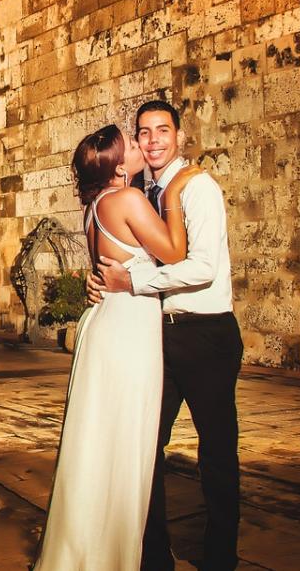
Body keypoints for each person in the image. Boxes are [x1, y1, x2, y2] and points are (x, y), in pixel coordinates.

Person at [35, 123, 201, 570]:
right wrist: (174, 192)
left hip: (105, 325)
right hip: (127, 331)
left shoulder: (93, 207)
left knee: (99, 442)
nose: (138, 144)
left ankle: (89, 550)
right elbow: (175, 252)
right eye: (129, 143)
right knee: (126, 444)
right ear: (117, 166)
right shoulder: (127, 199)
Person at [87, 100, 243, 571]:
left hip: (206, 334)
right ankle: (155, 557)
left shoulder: (198, 187)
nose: (153, 140)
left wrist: (132, 282)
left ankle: (220, 559)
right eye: (144, 132)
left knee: (216, 451)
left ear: (179, 135)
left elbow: (202, 267)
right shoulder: (139, 191)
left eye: (163, 130)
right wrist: (100, 278)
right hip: (157, 336)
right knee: (145, 446)